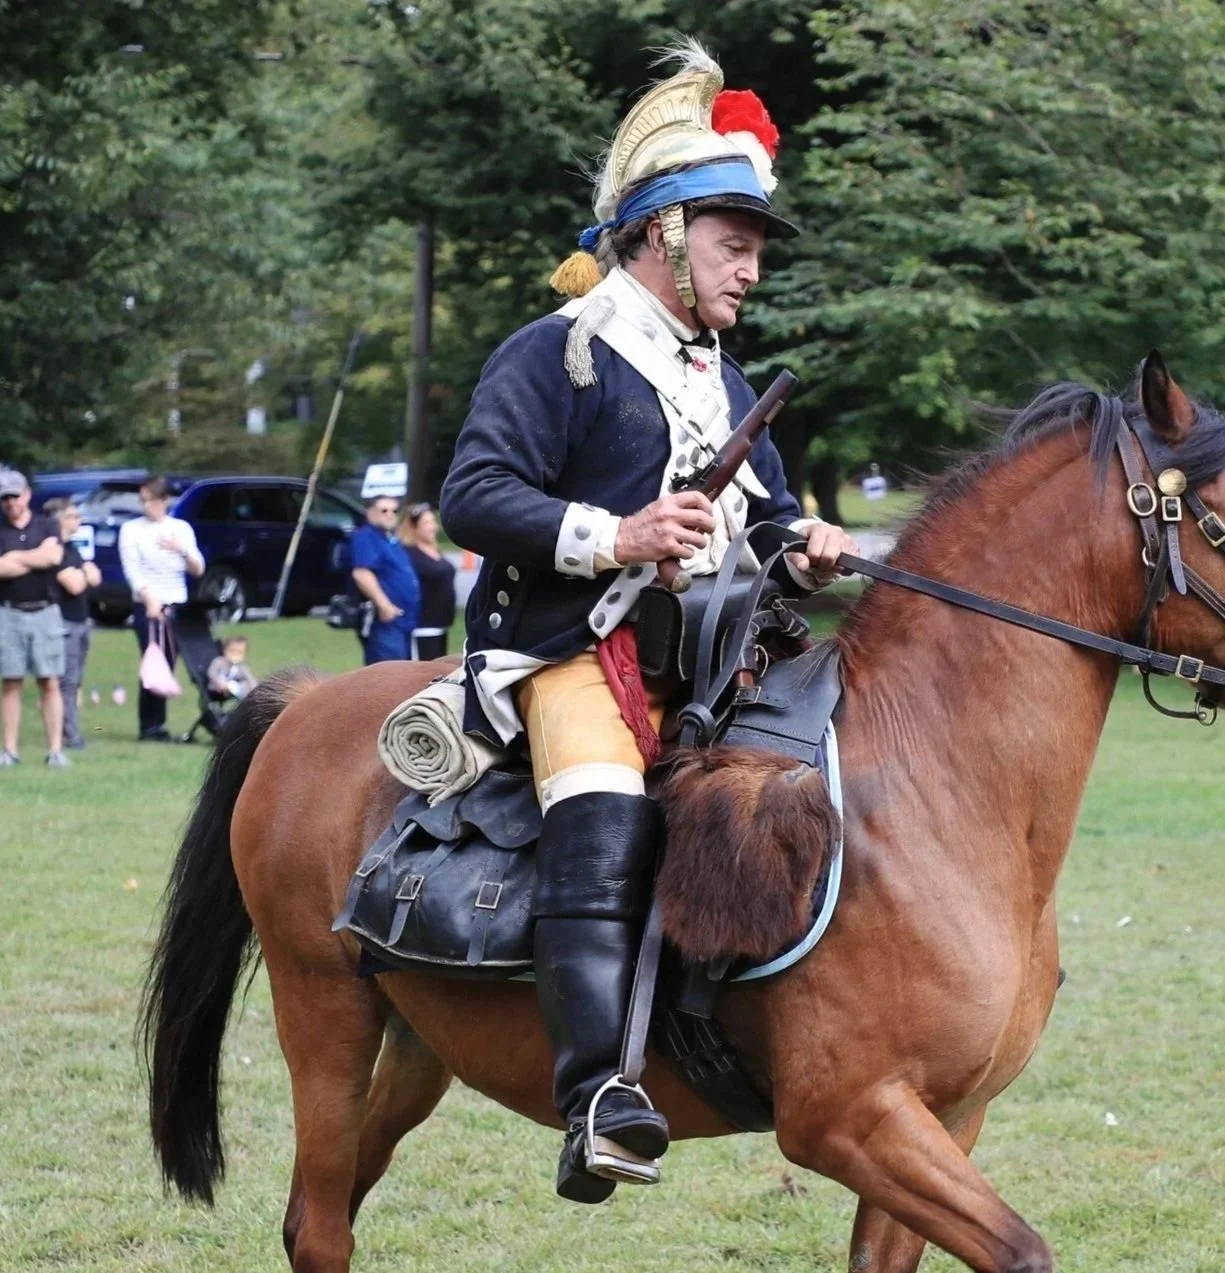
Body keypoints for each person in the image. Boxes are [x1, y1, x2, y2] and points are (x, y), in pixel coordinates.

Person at [439, 47, 855, 1203]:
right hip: (571, 647)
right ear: (664, 235)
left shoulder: (726, 381)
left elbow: (763, 518)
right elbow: (472, 495)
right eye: (734, 243)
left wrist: (802, 543)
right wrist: (617, 534)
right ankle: (597, 1097)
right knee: (604, 808)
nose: (752, 269)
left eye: (756, 247)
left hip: (714, 660)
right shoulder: (557, 351)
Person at [0, 471, 67, 767]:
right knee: (10, 683)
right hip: (8, 613)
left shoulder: (47, 525)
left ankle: (55, 751)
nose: (11, 502)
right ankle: (9, 751)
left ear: (27, 495)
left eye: (15, 496)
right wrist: (34, 556)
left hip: (45, 611)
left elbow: (53, 558)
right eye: (5, 498)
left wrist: (14, 557)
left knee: (49, 682)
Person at [118, 476, 204, 741]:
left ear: (164, 500)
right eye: (143, 501)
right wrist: (149, 599)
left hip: (176, 602)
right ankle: (150, 726)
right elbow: (132, 570)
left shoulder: (180, 528)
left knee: (171, 663)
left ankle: (160, 723)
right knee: (155, 661)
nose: (147, 506)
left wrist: (181, 550)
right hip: (149, 607)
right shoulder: (132, 530)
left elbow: (198, 568)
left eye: (152, 501)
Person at [47, 496, 100, 752]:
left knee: (75, 680)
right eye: (73, 516)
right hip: (64, 622)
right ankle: (70, 734)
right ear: (60, 520)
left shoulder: (72, 548)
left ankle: (68, 729)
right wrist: (84, 574)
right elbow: (75, 584)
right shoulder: (55, 550)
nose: (79, 520)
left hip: (81, 620)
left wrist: (84, 574)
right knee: (66, 682)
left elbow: (95, 577)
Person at [346, 492, 420, 664]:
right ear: (369, 511)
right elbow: (362, 573)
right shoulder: (366, 537)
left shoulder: (390, 539)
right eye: (384, 510)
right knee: (389, 671)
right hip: (384, 620)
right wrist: (384, 605)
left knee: (403, 669)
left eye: (394, 511)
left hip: (403, 619)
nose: (390, 515)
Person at [401, 501, 458, 659]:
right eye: (426, 523)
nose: (433, 527)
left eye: (433, 521)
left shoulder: (435, 550)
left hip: (441, 623)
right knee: (423, 669)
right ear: (413, 527)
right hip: (422, 625)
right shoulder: (408, 554)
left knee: (439, 668)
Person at [206, 634, 257, 701]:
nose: (235, 654)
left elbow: (250, 679)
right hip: (217, 688)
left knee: (246, 685)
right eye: (232, 651)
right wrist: (219, 682)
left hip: (235, 689)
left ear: (244, 655)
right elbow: (212, 673)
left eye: (239, 652)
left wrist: (254, 688)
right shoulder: (219, 662)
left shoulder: (242, 667)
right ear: (225, 650)